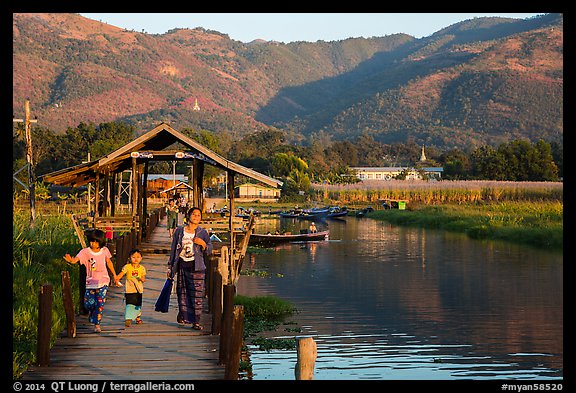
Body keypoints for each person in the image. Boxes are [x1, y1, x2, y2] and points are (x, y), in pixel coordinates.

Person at [167, 207, 213, 330]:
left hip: (197, 266)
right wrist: (170, 267)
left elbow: (209, 249)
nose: (196, 217)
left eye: (198, 215)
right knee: (182, 293)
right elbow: (173, 250)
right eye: (194, 214)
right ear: (188, 216)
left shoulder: (202, 233)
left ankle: (196, 322)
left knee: (197, 295)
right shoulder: (179, 231)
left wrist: (202, 243)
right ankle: (184, 314)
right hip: (182, 265)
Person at [64, 229, 118, 333]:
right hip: (90, 282)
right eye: (92, 241)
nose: (93, 244)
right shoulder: (85, 252)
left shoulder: (105, 250)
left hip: (103, 281)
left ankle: (97, 324)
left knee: (100, 303)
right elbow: (77, 259)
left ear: (101, 242)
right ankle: (92, 314)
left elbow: (109, 262)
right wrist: (71, 260)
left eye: (96, 241)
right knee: (88, 303)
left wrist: (115, 275)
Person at [115, 248, 147, 327]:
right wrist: (117, 279)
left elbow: (143, 277)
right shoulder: (127, 267)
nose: (136, 259)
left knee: (138, 304)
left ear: (141, 258)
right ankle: (128, 318)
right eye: (134, 257)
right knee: (129, 303)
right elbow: (121, 274)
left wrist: (142, 279)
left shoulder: (142, 268)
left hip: (139, 289)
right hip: (129, 289)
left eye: (138, 257)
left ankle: (137, 316)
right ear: (130, 258)